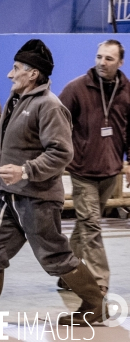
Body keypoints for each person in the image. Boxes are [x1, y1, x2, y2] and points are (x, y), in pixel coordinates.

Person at [0, 39, 107, 327]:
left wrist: (26, 171)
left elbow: (62, 152)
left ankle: (95, 306)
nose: (10, 74)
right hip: (9, 196)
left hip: (38, 199)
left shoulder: (49, 106)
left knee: (55, 258)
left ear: (33, 73)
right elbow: (25, 144)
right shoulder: (15, 101)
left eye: (16, 68)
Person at [58, 40, 130, 296]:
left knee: (86, 225)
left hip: (110, 171)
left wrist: (128, 162)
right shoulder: (76, 88)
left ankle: (68, 273)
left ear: (120, 62)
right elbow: (56, 123)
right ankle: (100, 282)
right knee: (91, 225)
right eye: (99, 57)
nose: (102, 62)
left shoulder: (127, 91)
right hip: (82, 171)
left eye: (109, 59)